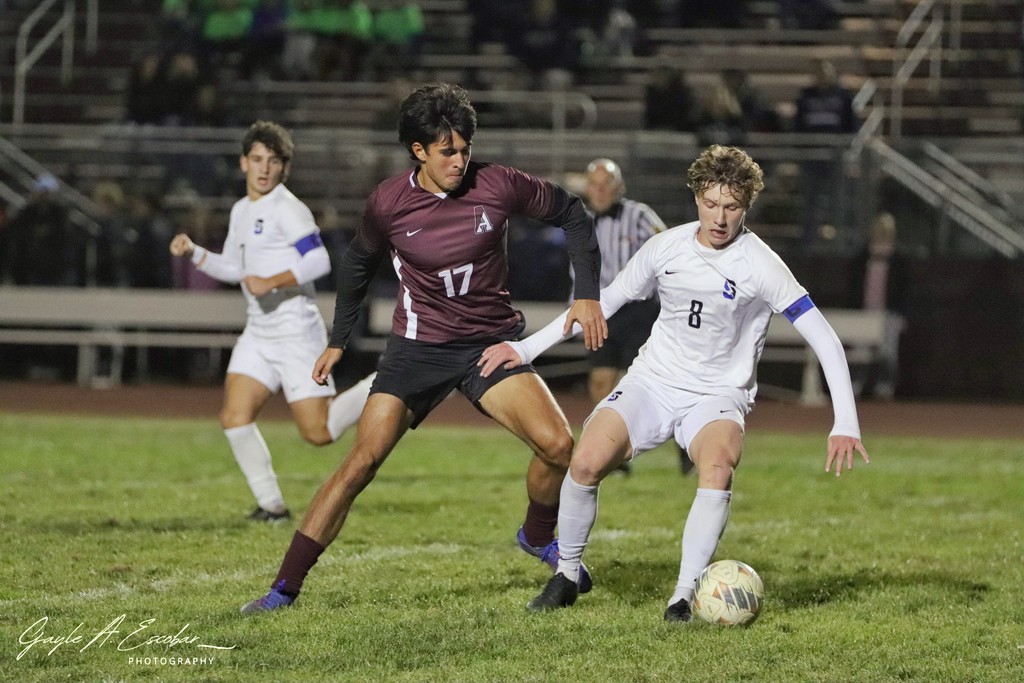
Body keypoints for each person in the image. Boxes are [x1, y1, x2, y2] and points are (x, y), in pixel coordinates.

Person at [240, 82, 607, 614]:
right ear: (418, 151)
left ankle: (535, 535)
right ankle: (283, 589)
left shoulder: (498, 183)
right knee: (360, 463)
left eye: (465, 149)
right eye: (446, 151)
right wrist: (338, 340)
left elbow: (572, 212)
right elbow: (357, 264)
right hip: (417, 349)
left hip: (488, 344)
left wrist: (588, 295)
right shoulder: (389, 202)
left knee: (558, 446)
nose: (459, 161)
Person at [478, 144, 871, 620]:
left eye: (732, 206)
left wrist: (845, 422)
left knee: (718, 466)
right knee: (585, 460)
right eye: (711, 203)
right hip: (653, 382)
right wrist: (524, 349)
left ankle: (683, 597)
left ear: (747, 205)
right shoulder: (666, 247)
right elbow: (600, 304)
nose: (719, 217)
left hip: (717, 395)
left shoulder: (762, 264)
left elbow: (825, 339)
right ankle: (566, 575)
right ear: (697, 197)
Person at [169, 120, 375, 522]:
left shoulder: (287, 208)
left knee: (319, 433)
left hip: (296, 331)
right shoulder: (241, 210)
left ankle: (381, 383)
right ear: (244, 162)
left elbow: (319, 260)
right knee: (235, 418)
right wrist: (195, 253)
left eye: (274, 161)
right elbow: (236, 267)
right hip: (259, 332)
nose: (264, 168)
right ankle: (272, 506)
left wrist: (272, 280)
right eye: (258, 159)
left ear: (284, 167)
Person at [579, 158, 692, 476]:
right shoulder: (582, 221)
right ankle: (610, 453)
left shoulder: (639, 214)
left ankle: (685, 442)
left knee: (650, 383)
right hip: (602, 310)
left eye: (606, 184)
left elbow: (670, 250)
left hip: (641, 310)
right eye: (595, 185)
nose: (600, 191)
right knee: (600, 380)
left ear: (619, 187)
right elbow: (578, 269)